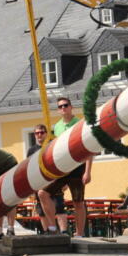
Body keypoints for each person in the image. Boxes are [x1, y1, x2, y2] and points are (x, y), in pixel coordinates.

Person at [44, 97, 91, 237]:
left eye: (65, 105)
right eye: (60, 106)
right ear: (58, 110)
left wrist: (88, 171)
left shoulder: (80, 123)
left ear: (71, 107)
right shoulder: (57, 127)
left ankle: (80, 234)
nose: (63, 108)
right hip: (62, 168)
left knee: (78, 202)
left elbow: (89, 147)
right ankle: (52, 228)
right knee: (43, 193)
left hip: (77, 167)